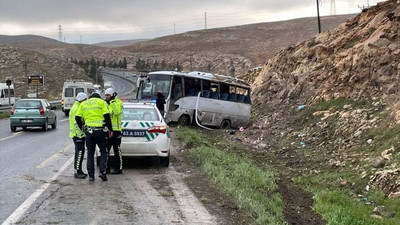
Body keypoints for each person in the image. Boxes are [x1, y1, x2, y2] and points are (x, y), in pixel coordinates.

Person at [75, 90, 113, 181]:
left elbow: (77, 117)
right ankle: (102, 172)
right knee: (103, 151)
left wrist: (82, 128)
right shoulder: (102, 102)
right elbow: (107, 116)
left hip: (89, 132)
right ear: (99, 96)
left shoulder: (84, 104)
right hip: (101, 131)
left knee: (90, 153)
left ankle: (91, 175)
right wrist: (110, 129)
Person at [104, 88, 123, 174]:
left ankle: (118, 168)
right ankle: (106, 168)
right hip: (107, 130)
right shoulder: (104, 103)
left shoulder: (118, 102)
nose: (106, 97)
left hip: (116, 131)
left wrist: (112, 102)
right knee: (106, 150)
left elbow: (117, 112)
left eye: (108, 95)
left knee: (117, 150)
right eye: (106, 95)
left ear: (112, 95)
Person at [69, 92, 88, 179]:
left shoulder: (76, 106)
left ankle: (79, 170)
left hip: (76, 134)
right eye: (85, 100)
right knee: (80, 152)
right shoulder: (77, 108)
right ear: (82, 100)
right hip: (77, 135)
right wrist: (81, 133)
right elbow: (76, 123)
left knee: (79, 152)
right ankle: (77, 171)